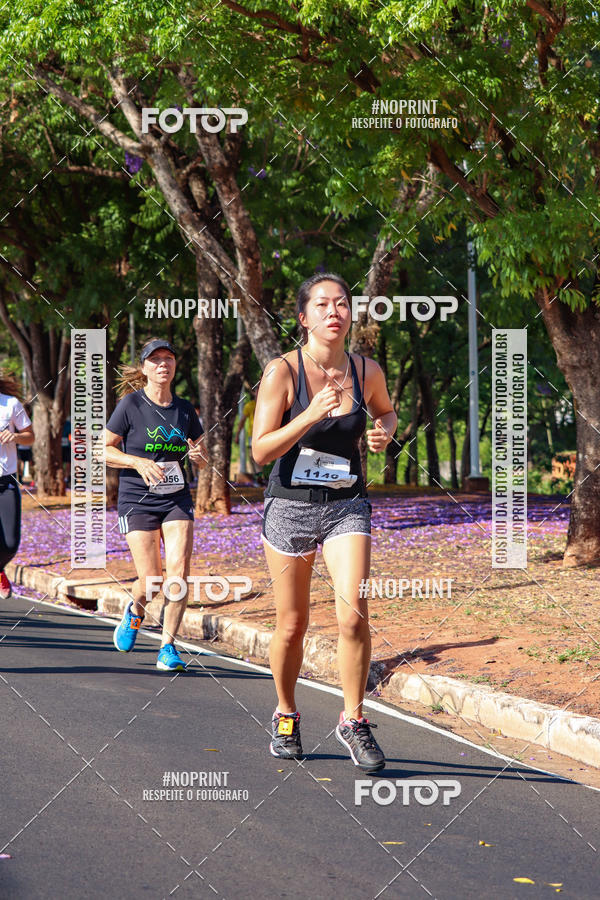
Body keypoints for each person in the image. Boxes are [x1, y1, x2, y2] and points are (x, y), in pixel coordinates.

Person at [252, 272, 397, 772]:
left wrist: (382, 432)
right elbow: (260, 449)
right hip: (290, 505)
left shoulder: (366, 370)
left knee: (353, 611)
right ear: (303, 317)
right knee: (292, 624)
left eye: (341, 303)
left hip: (346, 503)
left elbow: (386, 413)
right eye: (321, 304)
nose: (333, 311)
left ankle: (353, 719)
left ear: (351, 314)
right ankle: (287, 712)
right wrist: (309, 414)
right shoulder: (282, 372)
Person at [104, 339, 207, 670]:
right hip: (137, 498)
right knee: (151, 579)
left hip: (176, 497)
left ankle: (168, 648)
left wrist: (199, 457)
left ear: (175, 367)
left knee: (178, 574)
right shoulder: (130, 405)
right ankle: (135, 611)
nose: (163, 364)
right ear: (145, 368)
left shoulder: (186, 409)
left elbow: (203, 459)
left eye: (169, 359)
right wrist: (137, 462)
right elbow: (102, 449)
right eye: (156, 359)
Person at [0, 373, 35, 600]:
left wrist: (13, 436)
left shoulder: (10, 404)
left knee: (10, 543)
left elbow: (30, 437)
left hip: (6, 480)